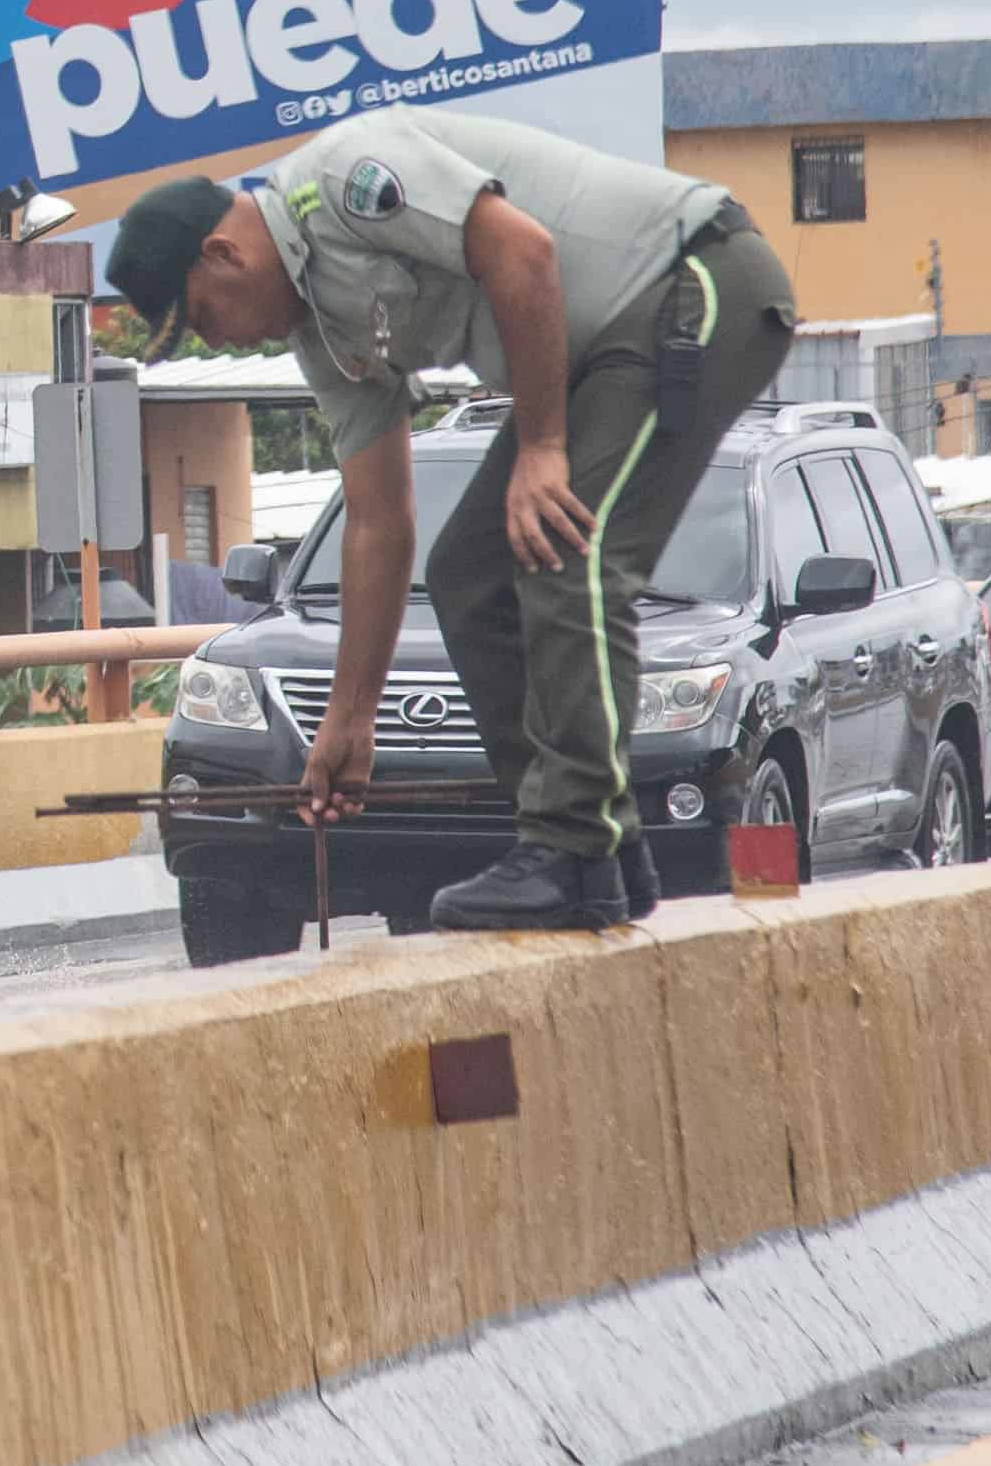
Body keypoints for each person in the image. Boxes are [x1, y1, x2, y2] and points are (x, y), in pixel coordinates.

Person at [102, 111, 800, 931]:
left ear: (225, 254)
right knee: (470, 573)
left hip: (693, 282)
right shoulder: (322, 332)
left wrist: (541, 445)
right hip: (596, 351)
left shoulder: (347, 181)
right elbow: (378, 521)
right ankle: (591, 852)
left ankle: (573, 842)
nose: (220, 340)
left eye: (205, 316)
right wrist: (348, 720)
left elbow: (523, 252)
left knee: (561, 548)